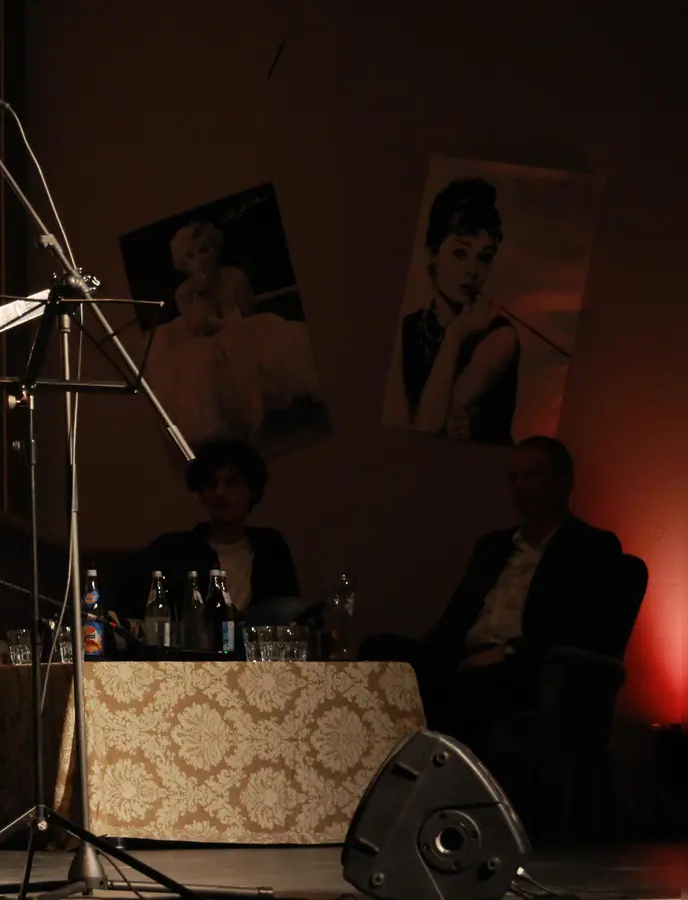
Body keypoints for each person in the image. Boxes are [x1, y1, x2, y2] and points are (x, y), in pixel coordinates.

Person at [361, 437, 624, 754]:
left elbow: (588, 629)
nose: (520, 487)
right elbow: (454, 618)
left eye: (531, 476)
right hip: (463, 654)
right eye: (513, 478)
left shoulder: (592, 547)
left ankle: (446, 776)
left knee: (468, 686)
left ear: (563, 481)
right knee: (378, 651)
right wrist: (429, 654)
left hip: (523, 668)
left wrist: (508, 651)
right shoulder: (492, 547)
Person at [149, 221, 319, 447]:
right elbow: (198, 328)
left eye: (204, 250)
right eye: (190, 255)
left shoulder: (234, 277)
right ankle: (225, 427)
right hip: (205, 339)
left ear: (215, 250)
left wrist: (223, 314)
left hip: (242, 330)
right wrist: (203, 294)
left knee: (247, 346)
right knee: (202, 365)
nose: (199, 259)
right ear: (184, 264)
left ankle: (265, 415)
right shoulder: (184, 292)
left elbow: (246, 313)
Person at [384, 177, 520, 444]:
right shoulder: (409, 327)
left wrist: (455, 334)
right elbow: (396, 424)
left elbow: (427, 426)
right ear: (432, 253)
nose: (472, 271)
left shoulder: (501, 338)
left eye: (484, 257)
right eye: (460, 254)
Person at [121, 439, 301, 629]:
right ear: (201, 494)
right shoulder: (172, 550)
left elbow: (291, 615)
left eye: (231, 483)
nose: (220, 493)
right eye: (211, 484)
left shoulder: (270, 547)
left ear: (252, 491)